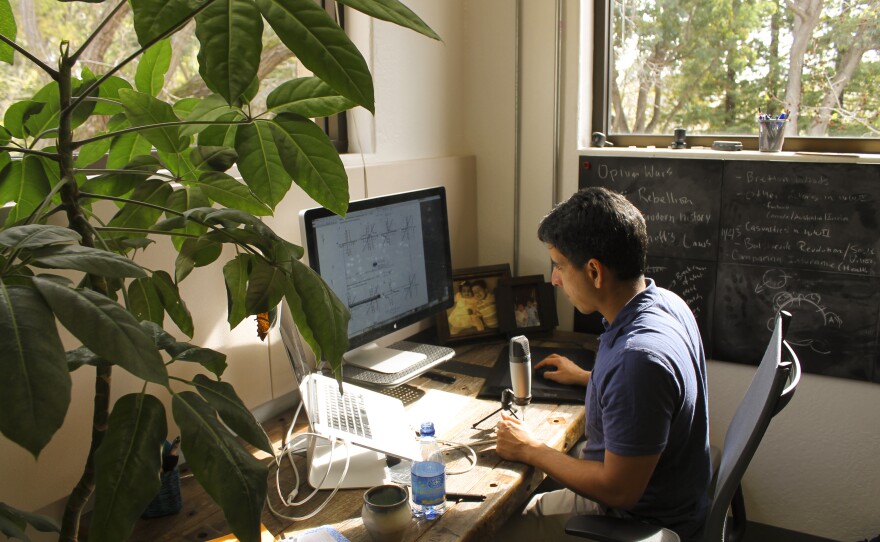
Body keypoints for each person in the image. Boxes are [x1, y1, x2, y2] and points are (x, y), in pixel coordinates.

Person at [495, 187, 711, 542]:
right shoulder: (666, 304)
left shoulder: (636, 362)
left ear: (594, 272)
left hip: (633, 520)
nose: (555, 278)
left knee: (501, 527)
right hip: (671, 496)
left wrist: (529, 448)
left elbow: (617, 491)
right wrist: (587, 377)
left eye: (560, 265)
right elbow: (652, 398)